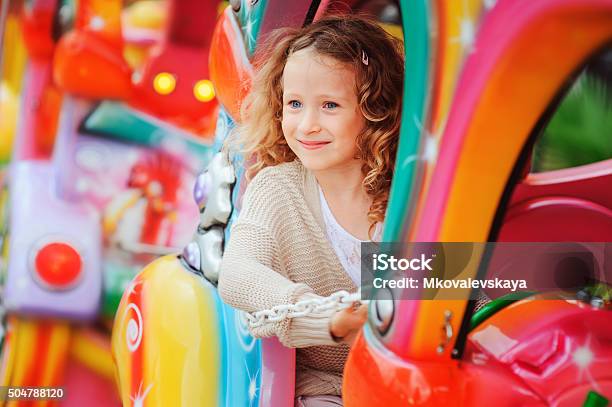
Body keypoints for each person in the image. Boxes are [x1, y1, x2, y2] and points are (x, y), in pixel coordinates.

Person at [218, 15, 404, 407]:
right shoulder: (280, 189)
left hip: (413, 386)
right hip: (329, 387)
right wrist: (330, 319)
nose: (307, 124)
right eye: (295, 104)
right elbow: (238, 272)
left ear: (377, 110)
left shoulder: (409, 197)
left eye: (330, 105)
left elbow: (475, 291)